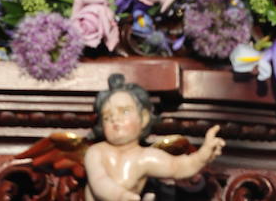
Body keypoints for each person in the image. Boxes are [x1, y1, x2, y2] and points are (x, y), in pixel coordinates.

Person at [84, 73, 223, 201]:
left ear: (143, 118)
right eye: (107, 117)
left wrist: (202, 155)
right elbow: (99, 181)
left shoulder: (145, 157)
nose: (115, 119)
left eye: (124, 111)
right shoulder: (96, 152)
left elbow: (177, 166)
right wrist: (122, 196)